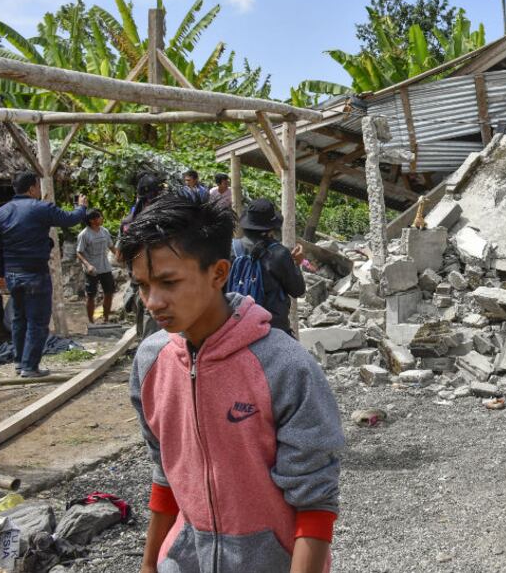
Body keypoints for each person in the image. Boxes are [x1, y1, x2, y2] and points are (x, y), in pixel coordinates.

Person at [121, 192, 342, 573]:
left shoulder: (285, 367)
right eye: (142, 285)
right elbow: (166, 475)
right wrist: (149, 565)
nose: (152, 301)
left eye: (168, 283)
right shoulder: (150, 361)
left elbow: (315, 504)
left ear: (219, 273)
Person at [0, 171, 88, 377]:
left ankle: (19, 362)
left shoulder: (0, 213)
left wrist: (0, 274)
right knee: (37, 321)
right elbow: (70, 219)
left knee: (19, 319)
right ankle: (30, 366)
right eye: (37, 186)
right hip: (35, 273)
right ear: (32, 188)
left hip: (12, 275)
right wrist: (81, 206)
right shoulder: (41, 208)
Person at [231, 198, 306, 338]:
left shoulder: (231, 249)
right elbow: (298, 290)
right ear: (271, 228)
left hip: (234, 328)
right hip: (272, 330)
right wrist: (297, 263)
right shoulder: (279, 253)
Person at [119, 173, 164, 339]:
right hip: (157, 277)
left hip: (137, 278)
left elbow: (120, 255)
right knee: (152, 320)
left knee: (143, 311)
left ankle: (143, 347)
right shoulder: (161, 219)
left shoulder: (128, 222)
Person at [76, 209, 115, 324]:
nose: (102, 218)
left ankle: (106, 318)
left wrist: (119, 255)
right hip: (91, 270)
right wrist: (87, 265)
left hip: (105, 268)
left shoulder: (104, 231)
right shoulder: (84, 234)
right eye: (99, 217)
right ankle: (91, 321)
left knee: (109, 292)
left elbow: (111, 246)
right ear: (92, 221)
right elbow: (79, 252)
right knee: (91, 296)